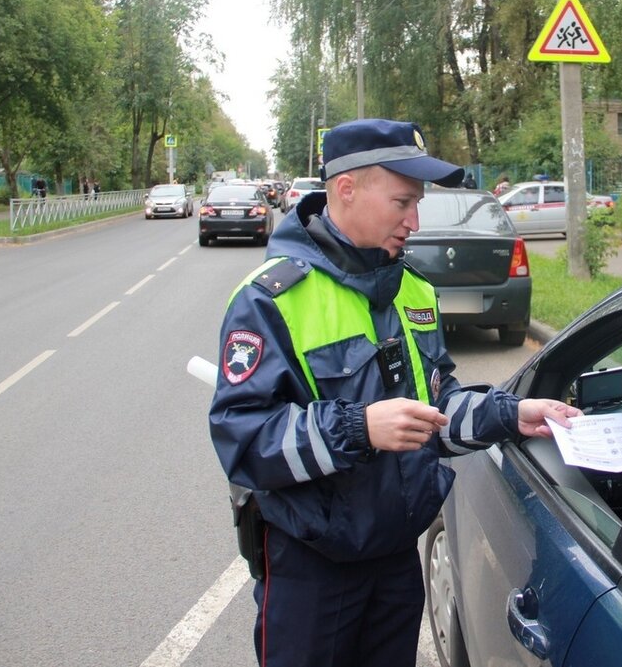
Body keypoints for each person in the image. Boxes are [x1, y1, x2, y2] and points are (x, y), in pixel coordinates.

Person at [207, 118, 580, 667]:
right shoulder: (271, 300)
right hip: (312, 570)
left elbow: (434, 408)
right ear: (346, 189)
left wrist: (510, 413)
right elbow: (242, 440)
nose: (415, 220)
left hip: (395, 562)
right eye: (402, 201)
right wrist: (359, 428)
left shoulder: (413, 290)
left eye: (419, 203)